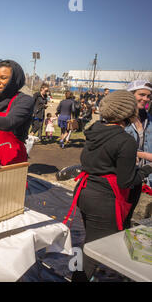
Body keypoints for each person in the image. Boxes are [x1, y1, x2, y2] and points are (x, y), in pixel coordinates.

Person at [64, 90, 152, 282]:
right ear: (128, 113)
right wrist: (147, 170)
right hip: (104, 202)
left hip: (85, 194)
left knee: (88, 241)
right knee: (93, 249)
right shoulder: (125, 141)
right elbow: (126, 181)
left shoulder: (95, 130)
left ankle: (78, 275)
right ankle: (79, 278)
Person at [124, 80, 152, 224]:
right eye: (141, 94)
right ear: (130, 95)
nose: (146, 99)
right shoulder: (120, 118)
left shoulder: (147, 118)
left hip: (143, 175)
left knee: (130, 218)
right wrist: (143, 155)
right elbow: (115, 147)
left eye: (148, 96)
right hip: (126, 175)